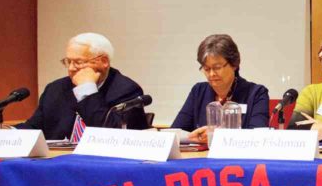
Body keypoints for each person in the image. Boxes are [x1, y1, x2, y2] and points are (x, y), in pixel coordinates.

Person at [16, 33, 147, 140]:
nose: (71, 68)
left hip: (103, 166)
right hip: (57, 161)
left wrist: (87, 90)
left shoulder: (126, 90)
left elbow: (110, 136)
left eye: (79, 62)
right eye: (68, 62)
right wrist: (6, 133)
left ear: (104, 61)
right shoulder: (55, 89)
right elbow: (33, 128)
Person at [172, 34, 269, 144]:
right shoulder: (198, 91)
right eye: (206, 69)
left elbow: (259, 137)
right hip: (202, 159)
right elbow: (175, 132)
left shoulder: (256, 93)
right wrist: (194, 137)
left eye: (217, 67)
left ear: (234, 64)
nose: (212, 74)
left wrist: (215, 136)